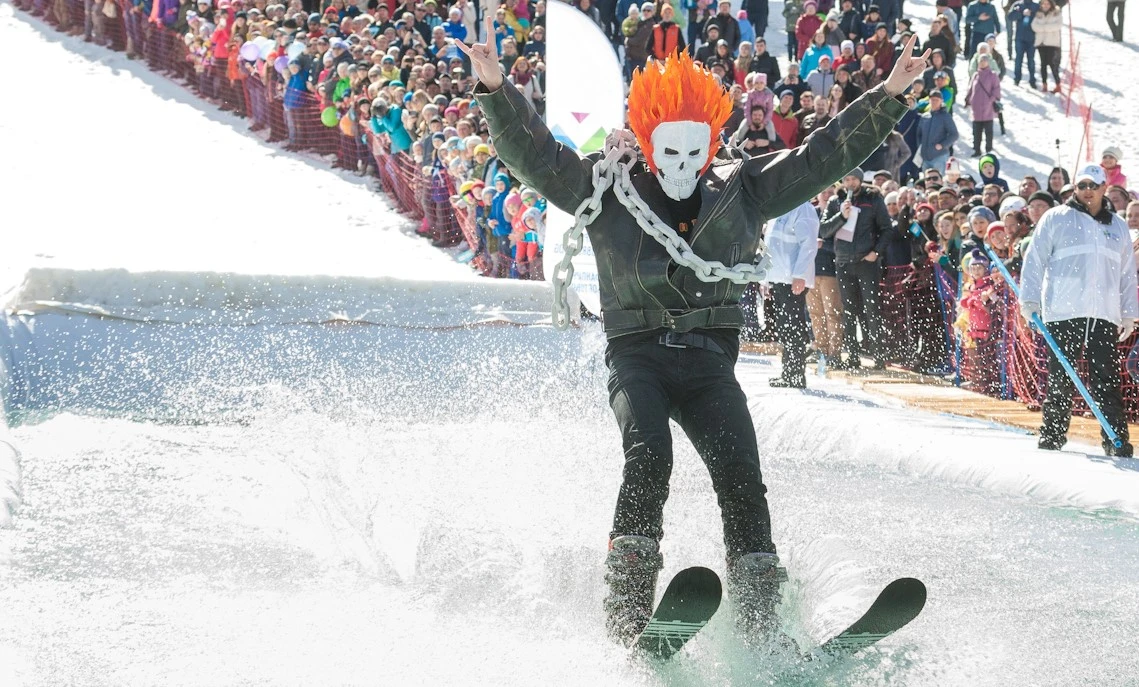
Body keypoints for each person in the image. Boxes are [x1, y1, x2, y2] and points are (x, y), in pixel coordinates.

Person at [457, 17, 930, 647]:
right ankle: (627, 613)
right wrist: (496, 89)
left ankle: (761, 627)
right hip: (638, 356)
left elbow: (822, 156)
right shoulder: (608, 184)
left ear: (711, 145)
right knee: (650, 456)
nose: (682, 163)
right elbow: (536, 156)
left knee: (741, 475)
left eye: (694, 151)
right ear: (648, 141)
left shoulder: (744, 188)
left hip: (709, 362)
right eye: (670, 151)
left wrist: (888, 95)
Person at [1020, 163, 1138, 457]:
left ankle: (1116, 440)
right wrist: (1029, 300)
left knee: (1107, 379)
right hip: (1064, 311)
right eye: (1082, 185)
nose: (1087, 191)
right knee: (1061, 378)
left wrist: (1128, 313)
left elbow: (1126, 274)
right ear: (1075, 188)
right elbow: (1035, 259)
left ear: (1103, 188)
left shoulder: (1117, 226)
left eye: (1093, 186)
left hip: (1103, 314)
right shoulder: (1056, 217)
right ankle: (1052, 437)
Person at [820, 168, 893, 370]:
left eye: (854, 179)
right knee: (849, 310)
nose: (850, 183)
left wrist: (876, 252)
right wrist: (841, 216)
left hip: (866, 262)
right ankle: (852, 356)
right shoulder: (836, 201)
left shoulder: (873, 199)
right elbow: (824, 230)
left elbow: (887, 229)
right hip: (843, 262)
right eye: (847, 179)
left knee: (871, 309)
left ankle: (878, 356)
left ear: (860, 180)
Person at [762, 202, 820, 388]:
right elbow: (770, 243)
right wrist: (766, 279)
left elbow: (809, 244)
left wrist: (800, 275)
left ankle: (795, 375)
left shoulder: (803, 208)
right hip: (779, 277)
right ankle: (788, 373)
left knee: (793, 327)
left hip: (792, 278)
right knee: (785, 327)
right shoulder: (780, 207)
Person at [964, 54, 1001, 157]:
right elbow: (971, 89)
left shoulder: (993, 75)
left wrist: (991, 100)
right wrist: (968, 99)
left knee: (988, 131)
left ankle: (989, 149)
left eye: (984, 60)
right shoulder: (976, 75)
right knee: (976, 131)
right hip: (976, 108)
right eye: (980, 60)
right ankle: (977, 149)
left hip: (988, 108)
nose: (982, 62)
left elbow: (996, 89)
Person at [915, 89, 958, 173]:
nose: (934, 102)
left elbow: (954, 134)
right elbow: (919, 134)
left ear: (941, 101)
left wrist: (942, 145)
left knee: (938, 179)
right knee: (927, 180)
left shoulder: (946, 116)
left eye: (936, 100)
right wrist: (920, 145)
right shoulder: (925, 116)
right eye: (932, 100)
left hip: (939, 156)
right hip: (925, 157)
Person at [1032, 0, 1062, 93]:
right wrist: (1047, 27)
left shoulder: (1056, 13)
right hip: (1041, 43)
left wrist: (1044, 28)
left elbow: (1058, 25)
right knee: (1043, 64)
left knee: (1052, 64)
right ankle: (1044, 84)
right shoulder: (1038, 14)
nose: (1045, 5)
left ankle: (1058, 84)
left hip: (1052, 43)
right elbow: (1034, 26)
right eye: (1043, 3)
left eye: (1047, 3)